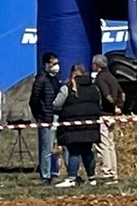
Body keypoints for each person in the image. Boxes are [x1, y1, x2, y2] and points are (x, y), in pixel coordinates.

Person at [55, 64, 102, 186]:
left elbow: (56, 104)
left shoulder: (68, 87)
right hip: (90, 125)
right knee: (87, 151)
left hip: (72, 126)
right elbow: (99, 103)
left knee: (74, 152)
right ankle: (92, 178)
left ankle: (71, 178)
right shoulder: (94, 87)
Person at [29, 53, 63, 184]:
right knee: (46, 148)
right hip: (46, 118)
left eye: (57, 63)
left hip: (58, 116)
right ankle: (45, 175)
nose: (56, 66)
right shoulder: (41, 79)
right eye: (53, 63)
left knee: (60, 146)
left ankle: (57, 172)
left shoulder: (55, 79)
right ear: (46, 64)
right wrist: (40, 115)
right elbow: (34, 100)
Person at [91, 54, 124, 183]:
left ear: (97, 65)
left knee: (104, 145)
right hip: (112, 116)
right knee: (110, 145)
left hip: (104, 113)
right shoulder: (112, 77)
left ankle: (107, 172)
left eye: (93, 63)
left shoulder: (101, 78)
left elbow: (106, 95)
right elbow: (122, 93)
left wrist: (113, 105)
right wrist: (119, 106)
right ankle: (114, 172)